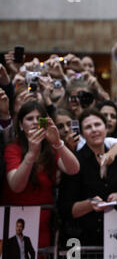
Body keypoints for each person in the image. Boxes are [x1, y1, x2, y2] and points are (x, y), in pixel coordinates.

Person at [1, 101, 80, 248]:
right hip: (14, 220)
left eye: (39, 119)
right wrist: (31, 154)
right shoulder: (13, 148)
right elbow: (16, 186)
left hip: (42, 222)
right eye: (29, 119)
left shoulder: (50, 148)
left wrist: (58, 143)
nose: (35, 123)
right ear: (20, 125)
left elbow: (73, 169)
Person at [58, 109, 117, 247]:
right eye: (88, 127)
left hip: (116, 238)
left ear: (106, 128)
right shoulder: (75, 162)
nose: (94, 130)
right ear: (83, 133)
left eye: (97, 124)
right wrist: (89, 204)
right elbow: (64, 209)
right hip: (81, 241)